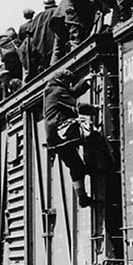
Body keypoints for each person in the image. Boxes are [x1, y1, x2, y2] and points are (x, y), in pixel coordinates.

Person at [44, 70, 100, 208]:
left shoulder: (52, 90)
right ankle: (94, 165)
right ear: (62, 80)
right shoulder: (58, 92)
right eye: (68, 82)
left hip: (54, 138)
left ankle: (82, 197)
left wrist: (85, 82)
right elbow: (76, 105)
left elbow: (72, 92)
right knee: (91, 135)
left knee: (76, 166)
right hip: (62, 132)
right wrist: (94, 109)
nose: (69, 84)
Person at [18, 0, 58, 81]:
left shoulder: (39, 17)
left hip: (42, 48)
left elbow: (30, 34)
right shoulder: (57, 10)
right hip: (56, 44)